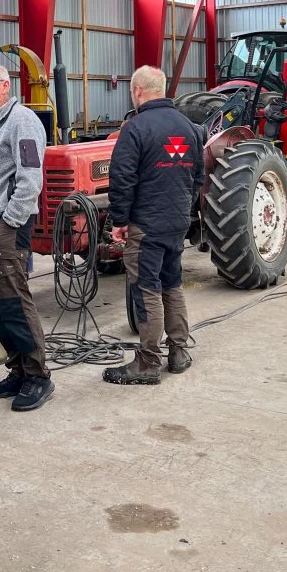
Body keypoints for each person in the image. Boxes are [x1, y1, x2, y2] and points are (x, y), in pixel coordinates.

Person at [102, 66, 205, 386]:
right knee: (172, 283)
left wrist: (119, 220)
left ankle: (148, 362)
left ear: (137, 91)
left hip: (146, 225)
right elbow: (199, 177)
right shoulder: (189, 128)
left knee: (147, 288)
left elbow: (121, 179)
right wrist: (182, 212)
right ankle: (178, 352)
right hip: (176, 222)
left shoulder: (135, 128)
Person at [0, 63, 54, 412]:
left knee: (15, 300)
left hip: (6, 225)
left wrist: (10, 221)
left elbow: (30, 177)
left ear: (5, 86)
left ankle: (38, 376)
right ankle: (17, 369)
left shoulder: (23, 121)